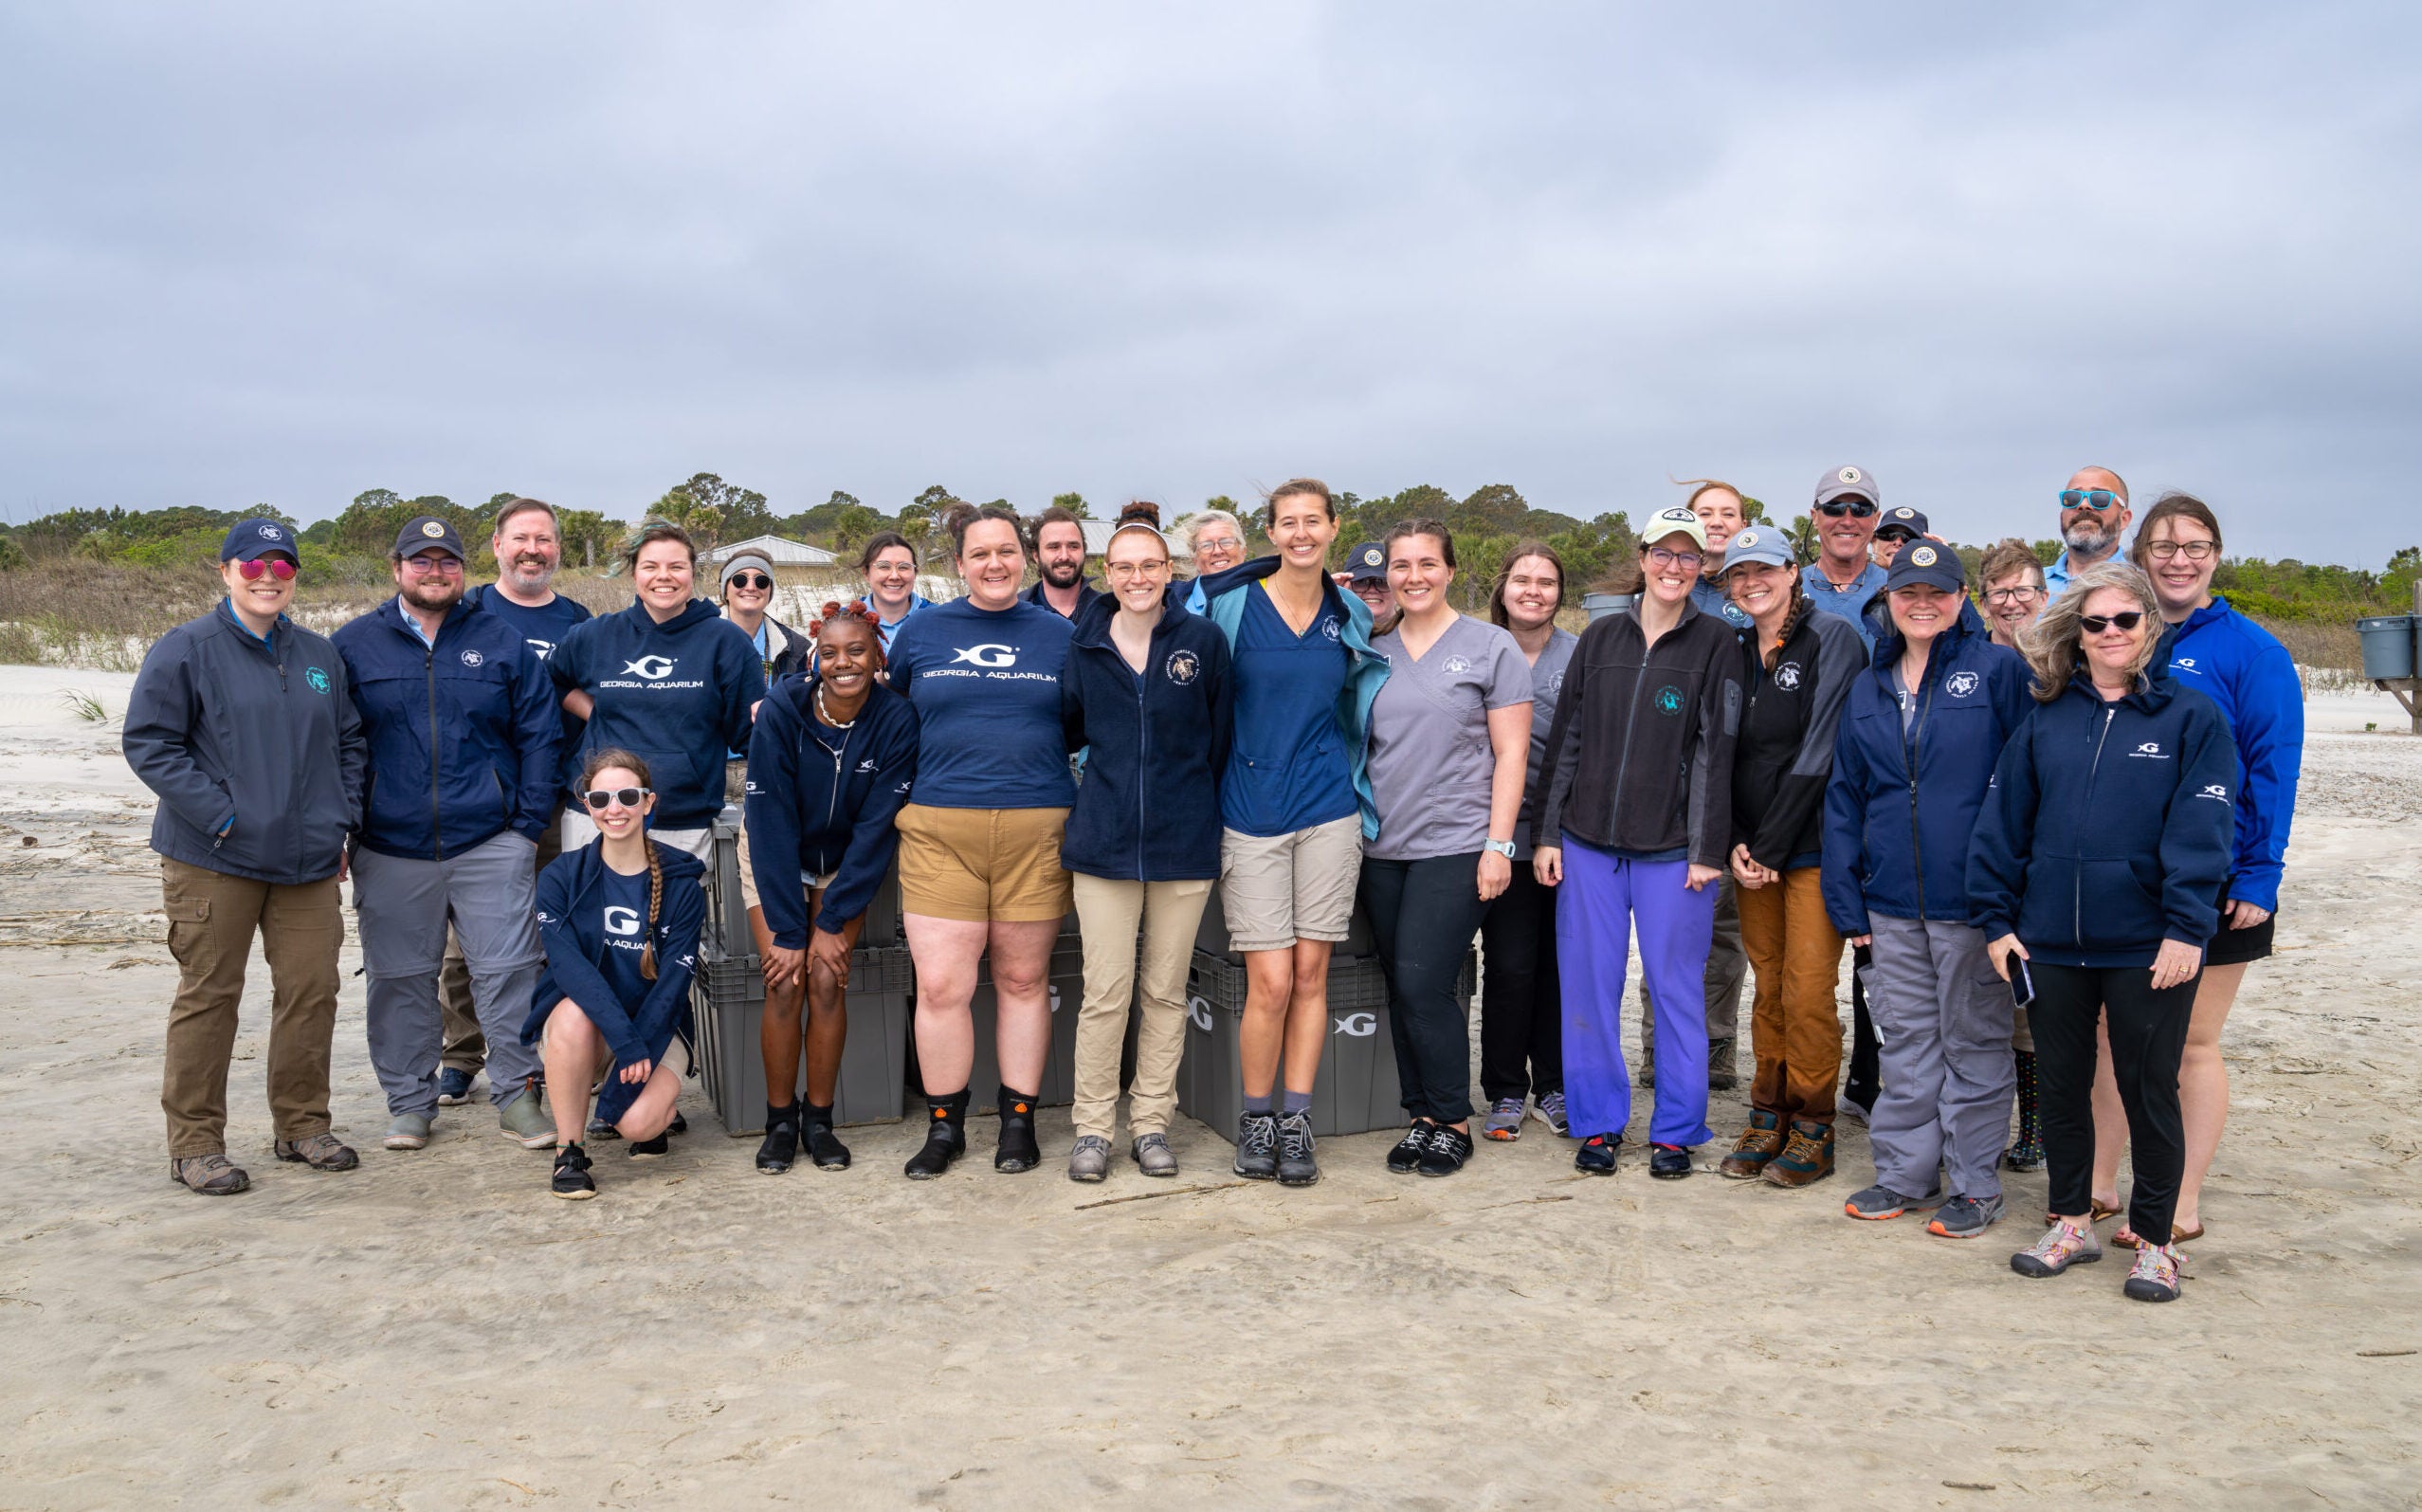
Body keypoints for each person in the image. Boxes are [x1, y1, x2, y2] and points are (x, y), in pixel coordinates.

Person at [1971, 562, 2238, 1303]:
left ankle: (2155, 1243)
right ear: (2078, 634)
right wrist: (1997, 922)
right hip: (2048, 941)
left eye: (2126, 619)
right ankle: (2067, 1221)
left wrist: (2187, 930)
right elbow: (2002, 826)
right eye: (2096, 622)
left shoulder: (2192, 718)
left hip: (2147, 944)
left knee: (2147, 1087)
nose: (2111, 633)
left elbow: (2204, 830)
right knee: (2059, 1089)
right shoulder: (2045, 717)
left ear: (2149, 627)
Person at [123, 518, 367, 1195]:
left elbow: (349, 743)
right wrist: (224, 815)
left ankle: (301, 1124)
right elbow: (150, 743)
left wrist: (339, 818)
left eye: (282, 567)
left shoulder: (320, 655)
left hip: (309, 861)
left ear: (294, 577)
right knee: (210, 996)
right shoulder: (186, 648)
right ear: (226, 570)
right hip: (214, 856)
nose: (268, 578)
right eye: (254, 565)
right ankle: (196, 1143)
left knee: (312, 991)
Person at [2086, 492, 2303, 1249]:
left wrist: (2258, 876)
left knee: (2189, 1044)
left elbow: (2273, 768)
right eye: (2164, 544)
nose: (2179, 557)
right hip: (2122, 877)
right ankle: (2098, 1182)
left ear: (2215, 553)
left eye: (2195, 543)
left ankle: (2179, 1198)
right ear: (2140, 551)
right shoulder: (2118, 634)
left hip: (2216, 877)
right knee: (2113, 1035)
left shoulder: (2251, 650)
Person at [330, 517, 562, 1154]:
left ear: (465, 568)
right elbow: (335, 745)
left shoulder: (501, 640)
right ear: (396, 567)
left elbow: (540, 736)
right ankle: (409, 1101)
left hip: (489, 840)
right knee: (399, 978)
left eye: (447, 562)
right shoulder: (353, 645)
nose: (435, 573)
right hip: (389, 845)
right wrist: (349, 828)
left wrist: (522, 827)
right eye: (420, 562)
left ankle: (518, 1095)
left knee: (509, 970)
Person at [1821, 542, 2031, 1237]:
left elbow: (2024, 787)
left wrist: (2007, 893)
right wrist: (1847, 898)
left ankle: (1974, 1184)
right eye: (1906, 590)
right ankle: (1904, 1174)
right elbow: (1846, 796)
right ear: (1887, 597)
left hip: (1971, 905)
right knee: (1905, 1042)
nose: (1920, 602)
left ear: (1959, 596)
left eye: (1935, 590)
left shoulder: (1997, 670)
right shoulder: (1867, 684)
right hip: (1888, 904)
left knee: (1973, 1043)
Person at [1531, 506, 1742, 1179]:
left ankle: (1676, 1129)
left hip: (1673, 851)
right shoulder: (1598, 638)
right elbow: (1566, 738)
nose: (1674, 566)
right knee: (1588, 988)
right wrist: (1546, 834)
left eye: (1688, 556)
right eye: (1663, 552)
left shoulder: (1716, 642)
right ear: (1643, 557)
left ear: (1700, 566)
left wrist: (1706, 847)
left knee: (1676, 987)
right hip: (1587, 842)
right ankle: (1598, 1124)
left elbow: (1717, 752)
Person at [1196, 479, 1390, 1187]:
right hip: (1249, 811)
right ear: (1270, 533)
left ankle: (1296, 1120)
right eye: (1288, 522)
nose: (1301, 532)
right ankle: (1254, 1117)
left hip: (1328, 810)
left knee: (1312, 975)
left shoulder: (1349, 615)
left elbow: (1357, 702)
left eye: (1314, 520)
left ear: (1334, 527)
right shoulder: (1230, 606)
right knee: (1269, 981)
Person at [886, 504, 1078, 1178]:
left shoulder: (1060, 636)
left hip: (1037, 829)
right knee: (941, 986)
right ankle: (945, 1126)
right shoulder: (921, 633)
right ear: (957, 564)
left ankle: (1018, 1123)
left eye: (1006, 551)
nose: (994, 564)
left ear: (1022, 556)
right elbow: (896, 715)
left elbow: (1077, 724)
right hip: (942, 831)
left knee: (1023, 979)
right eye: (979, 553)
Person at [1059, 502, 1233, 1181]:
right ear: (1109, 572)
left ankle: (1152, 1122)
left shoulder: (1202, 642)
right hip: (1102, 845)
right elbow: (1068, 728)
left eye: (1151, 565)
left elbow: (1218, 740)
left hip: (1182, 844)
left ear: (1171, 570)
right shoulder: (1083, 643)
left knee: (1163, 991)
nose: (1138, 577)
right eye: (1125, 566)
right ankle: (1093, 1130)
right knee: (1106, 992)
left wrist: (1192, 808)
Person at [1358, 520, 1531, 1177]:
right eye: (1400, 565)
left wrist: (1497, 845)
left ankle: (1453, 1117)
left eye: (1426, 563)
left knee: (1423, 981)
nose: (1413, 576)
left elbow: (1511, 752)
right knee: (1401, 987)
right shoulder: (1373, 650)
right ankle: (1421, 1117)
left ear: (1451, 570)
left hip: (1456, 842)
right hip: (1382, 847)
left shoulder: (1490, 648)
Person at [1707, 526, 1867, 1188]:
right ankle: (1766, 1112)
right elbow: (1719, 751)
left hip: (1809, 850)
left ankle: (1812, 1124)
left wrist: (1769, 845)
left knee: (1805, 991)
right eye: (1738, 573)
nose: (1751, 582)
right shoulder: (1733, 647)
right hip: (1751, 853)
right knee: (1766, 988)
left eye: (1763, 569)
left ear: (1791, 570)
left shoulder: (1831, 638)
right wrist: (1733, 844)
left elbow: (1820, 750)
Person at [743, 602, 920, 1174]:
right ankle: (778, 1122)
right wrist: (793, 931)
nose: (843, 663)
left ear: (877, 657)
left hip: (845, 861)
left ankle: (819, 1121)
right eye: (829, 653)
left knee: (826, 980)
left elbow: (875, 831)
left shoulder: (896, 718)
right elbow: (767, 819)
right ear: (815, 658)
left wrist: (830, 920)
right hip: (776, 852)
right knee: (785, 978)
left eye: (857, 651)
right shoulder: (782, 708)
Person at [436, 497, 592, 1108]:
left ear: (557, 548)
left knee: (557, 932)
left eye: (546, 540)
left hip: (562, 800)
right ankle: (460, 1054)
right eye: (521, 538)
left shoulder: (578, 622)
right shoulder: (466, 610)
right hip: (482, 801)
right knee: (465, 941)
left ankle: (553, 1050)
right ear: (497, 545)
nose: (534, 550)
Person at [524, 750, 707, 1199]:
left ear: (648, 802)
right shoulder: (561, 877)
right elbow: (571, 971)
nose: (615, 808)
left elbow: (672, 985)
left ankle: (657, 1108)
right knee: (570, 1014)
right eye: (601, 798)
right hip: (600, 1027)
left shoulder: (682, 882)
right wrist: (624, 1044)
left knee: (636, 1124)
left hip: (657, 1025)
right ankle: (570, 1150)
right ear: (587, 805)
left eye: (627, 796)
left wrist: (639, 1049)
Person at [548, 521, 765, 863]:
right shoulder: (594, 635)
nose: (664, 576)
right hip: (595, 815)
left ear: (693, 573)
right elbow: (552, 680)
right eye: (650, 566)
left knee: (673, 916)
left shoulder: (727, 642)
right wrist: (594, 712)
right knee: (589, 913)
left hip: (681, 823)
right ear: (634, 573)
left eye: (676, 566)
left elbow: (750, 733)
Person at [1640, 479, 1754, 1091]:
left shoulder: (1749, 588)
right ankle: (1656, 1048)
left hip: (1738, 781)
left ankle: (1715, 1046)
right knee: (1665, 927)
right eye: (1704, 512)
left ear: (1742, 524)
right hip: (1668, 786)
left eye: (1726, 514)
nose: (1715, 523)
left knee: (1724, 930)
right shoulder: (1664, 588)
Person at [1798, 464, 1891, 1122]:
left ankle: (1872, 1082)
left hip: (1875, 790)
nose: (1847, 519)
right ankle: (1796, 1094)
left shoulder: (1903, 589)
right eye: (1836, 507)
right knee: (1800, 968)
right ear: (1815, 516)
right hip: (1792, 791)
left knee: (1876, 948)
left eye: (1860, 509)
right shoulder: (1783, 585)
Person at [1476, 541, 1577, 1141]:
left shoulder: (1582, 653)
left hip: (1564, 834)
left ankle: (1556, 1085)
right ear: (1502, 586)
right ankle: (1506, 1088)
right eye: (1522, 579)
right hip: (1501, 833)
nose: (1533, 590)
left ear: (1560, 594)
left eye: (1546, 581)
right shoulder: (1479, 646)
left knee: (1560, 966)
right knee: (1510, 964)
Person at [1974, 537, 2052, 1170]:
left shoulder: (2061, 667)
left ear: (2042, 595)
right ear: (1981, 601)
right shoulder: (1966, 664)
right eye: (1998, 591)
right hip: (1977, 843)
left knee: (2029, 998)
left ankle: (2035, 1127)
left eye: (2022, 589)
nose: (2010, 601)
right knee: (1979, 995)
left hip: (2040, 849)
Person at [719, 548, 811, 684]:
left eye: (761, 581)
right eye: (740, 579)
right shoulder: (697, 640)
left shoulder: (794, 648)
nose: (751, 587)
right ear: (725, 591)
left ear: (769, 592)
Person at [2044, 466, 2132, 597]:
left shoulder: (2144, 587)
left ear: (2124, 519)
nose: (2084, 505)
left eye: (2100, 498)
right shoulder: (2027, 587)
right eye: (2072, 498)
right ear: (2062, 516)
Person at [854, 531, 932, 653]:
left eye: (904, 567)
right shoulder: (843, 621)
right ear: (866, 573)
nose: (894, 576)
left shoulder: (938, 619)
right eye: (884, 566)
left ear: (915, 573)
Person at [1026, 504, 1107, 621]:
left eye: (1073, 546)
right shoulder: (1015, 615)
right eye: (1054, 547)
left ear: (1083, 551)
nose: (1064, 556)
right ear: (1036, 556)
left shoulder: (1109, 613)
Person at [1180, 508, 1247, 613]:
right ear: (1195, 559)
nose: (1217, 551)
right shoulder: (1177, 606)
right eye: (1206, 545)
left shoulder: (1266, 595)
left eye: (1226, 542)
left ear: (1243, 551)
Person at [1338, 539, 1394, 628]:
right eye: (1361, 582)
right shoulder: (1328, 634)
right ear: (1345, 587)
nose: (1372, 590)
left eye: (1382, 582)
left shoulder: (1419, 637)